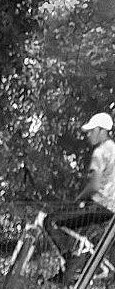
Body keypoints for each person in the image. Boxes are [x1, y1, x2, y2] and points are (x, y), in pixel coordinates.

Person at [38, 111, 115, 273]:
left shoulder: (100, 152)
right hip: (111, 209)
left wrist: (77, 200)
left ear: (102, 131)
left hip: (99, 206)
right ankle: (85, 254)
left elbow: (94, 186)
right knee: (69, 226)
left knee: (50, 221)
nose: (88, 135)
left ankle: (73, 260)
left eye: (92, 131)